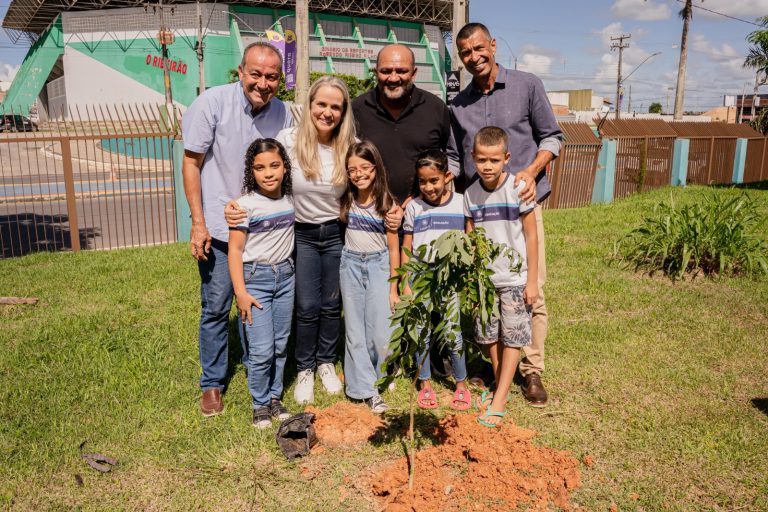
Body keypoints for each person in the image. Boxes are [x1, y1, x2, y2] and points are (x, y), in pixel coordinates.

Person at [449, 22, 562, 407]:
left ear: (493, 45)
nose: (474, 57)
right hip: (480, 212)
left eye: (479, 48)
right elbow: (454, 156)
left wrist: (530, 172)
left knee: (531, 288)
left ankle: (531, 370)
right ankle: (497, 365)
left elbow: (551, 137)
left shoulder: (527, 85)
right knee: (488, 289)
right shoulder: (458, 104)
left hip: (521, 204)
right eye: (466, 53)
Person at [182, 42, 292, 417]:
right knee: (216, 307)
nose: (263, 83)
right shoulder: (211, 104)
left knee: (255, 304)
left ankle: (256, 369)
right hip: (219, 229)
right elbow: (191, 164)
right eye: (256, 74)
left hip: (264, 239)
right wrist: (198, 223)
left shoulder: (284, 114)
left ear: (280, 79)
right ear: (241, 72)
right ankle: (212, 383)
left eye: (271, 76)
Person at [276, 76, 356, 404]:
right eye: (321, 104)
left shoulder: (350, 144)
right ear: (309, 105)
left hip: (337, 233)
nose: (327, 112)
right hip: (303, 234)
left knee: (332, 304)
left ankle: (326, 362)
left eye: (335, 107)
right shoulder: (288, 139)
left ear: (343, 112)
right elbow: (269, 180)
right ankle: (305, 367)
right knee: (307, 305)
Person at [463, 127, 539, 428]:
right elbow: (471, 239)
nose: (488, 166)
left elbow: (532, 238)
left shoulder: (518, 189)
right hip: (485, 281)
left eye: (494, 160)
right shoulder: (470, 194)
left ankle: (500, 399)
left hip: (515, 279)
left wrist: (531, 281)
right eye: (482, 160)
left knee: (512, 337)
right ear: (473, 158)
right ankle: (500, 386)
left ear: (506, 158)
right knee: (488, 335)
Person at [227, 138, 295, 429]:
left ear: (285, 168)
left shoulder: (291, 200)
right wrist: (240, 293)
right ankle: (259, 404)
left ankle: (275, 397)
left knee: (280, 344)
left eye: (274, 166)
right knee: (261, 347)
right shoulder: (244, 206)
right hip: (257, 280)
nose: (268, 173)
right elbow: (235, 251)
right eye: (260, 168)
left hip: (286, 277)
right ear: (250, 172)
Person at [401, 149, 470, 411]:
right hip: (420, 274)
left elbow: (469, 241)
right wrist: (405, 282)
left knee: (453, 330)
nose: (428, 187)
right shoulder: (414, 208)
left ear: (447, 176)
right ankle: (425, 382)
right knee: (421, 330)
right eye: (422, 181)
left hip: (449, 276)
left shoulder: (461, 203)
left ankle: (461, 383)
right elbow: (408, 246)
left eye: (434, 180)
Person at [352, 44, 458, 205]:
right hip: (370, 213)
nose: (393, 78)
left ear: (414, 74)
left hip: (423, 212)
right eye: (386, 71)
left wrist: (423, 194)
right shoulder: (358, 109)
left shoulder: (435, 108)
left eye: (401, 71)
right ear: (376, 72)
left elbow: (451, 155)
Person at [338, 141, 400, 414]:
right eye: (352, 170)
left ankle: (385, 369)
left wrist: (394, 287)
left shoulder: (387, 204)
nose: (359, 174)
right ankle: (366, 390)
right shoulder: (347, 199)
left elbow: (394, 247)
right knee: (354, 330)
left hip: (379, 266)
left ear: (375, 168)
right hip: (350, 263)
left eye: (364, 167)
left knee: (380, 331)